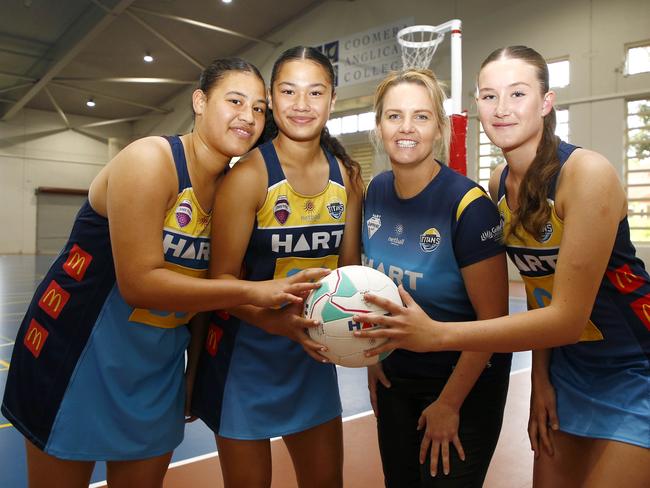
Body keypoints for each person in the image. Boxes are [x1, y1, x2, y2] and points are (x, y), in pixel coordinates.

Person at [1, 57, 329, 488]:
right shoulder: (151, 158)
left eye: (258, 108)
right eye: (234, 101)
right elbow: (138, 283)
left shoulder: (232, 188)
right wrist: (254, 292)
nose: (247, 117)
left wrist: (191, 374)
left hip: (156, 367)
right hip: (77, 355)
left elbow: (201, 295)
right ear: (199, 101)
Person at [355, 46, 650, 487]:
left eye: (517, 94)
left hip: (631, 366)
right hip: (567, 368)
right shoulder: (499, 183)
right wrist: (540, 380)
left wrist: (436, 335)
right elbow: (538, 290)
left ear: (546, 103)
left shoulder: (586, 174)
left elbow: (567, 319)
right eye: (490, 96)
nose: (503, 109)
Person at [189, 46, 363, 488]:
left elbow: (349, 277)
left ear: (332, 100)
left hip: (311, 358)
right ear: (272, 98)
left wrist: (361, 337)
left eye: (315, 92)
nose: (302, 105)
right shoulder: (248, 175)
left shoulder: (346, 176)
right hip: (243, 361)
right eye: (288, 91)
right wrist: (278, 322)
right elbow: (220, 282)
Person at [363, 68, 511, 487]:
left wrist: (449, 402)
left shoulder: (467, 205)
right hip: (396, 375)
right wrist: (372, 359)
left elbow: (494, 325)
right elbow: (373, 289)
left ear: (441, 128)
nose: (406, 128)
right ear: (379, 126)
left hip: (464, 380)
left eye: (421, 117)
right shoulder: (375, 192)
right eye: (394, 116)